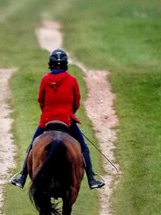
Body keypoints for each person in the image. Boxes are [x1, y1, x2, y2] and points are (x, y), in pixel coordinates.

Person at [10, 48, 105, 190]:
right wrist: (68, 114)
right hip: (66, 120)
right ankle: (91, 178)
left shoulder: (45, 79)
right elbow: (76, 102)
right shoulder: (72, 80)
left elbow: (41, 100)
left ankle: (22, 177)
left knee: (32, 147)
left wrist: (48, 113)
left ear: (51, 64)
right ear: (65, 64)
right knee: (84, 148)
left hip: (47, 120)